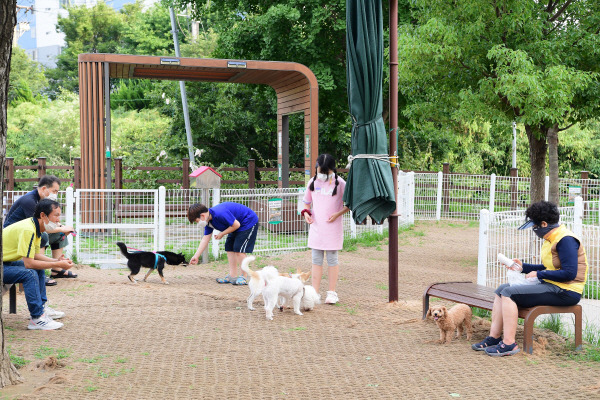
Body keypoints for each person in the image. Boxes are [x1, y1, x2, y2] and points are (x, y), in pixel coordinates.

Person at [472, 200, 588, 356]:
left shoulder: (566, 240)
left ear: (544, 224)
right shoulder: (552, 238)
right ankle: (494, 337)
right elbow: (551, 268)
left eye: (535, 226)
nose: (534, 230)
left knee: (508, 293)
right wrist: (523, 267)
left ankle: (509, 344)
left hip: (566, 291)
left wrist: (539, 274)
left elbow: (569, 274)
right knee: (501, 290)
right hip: (553, 286)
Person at [2, 199, 74, 330]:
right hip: (3, 265)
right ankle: (37, 318)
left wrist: (57, 262)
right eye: (56, 215)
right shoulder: (28, 229)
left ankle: (41, 309)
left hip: (6, 263)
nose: (58, 220)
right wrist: (58, 265)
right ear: (43, 215)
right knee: (29, 273)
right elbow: (29, 264)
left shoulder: (36, 227)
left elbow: (34, 255)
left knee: (38, 269)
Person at [3, 175, 77, 284]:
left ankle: (57, 269)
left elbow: (45, 222)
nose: (55, 194)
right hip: (16, 235)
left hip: (28, 231)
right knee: (43, 236)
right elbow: (39, 226)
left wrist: (62, 228)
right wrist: (61, 228)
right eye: (54, 191)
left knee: (59, 234)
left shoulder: (40, 200)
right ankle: (38, 268)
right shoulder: (29, 201)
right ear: (43, 189)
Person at [302, 154, 349, 305]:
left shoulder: (341, 183)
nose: (321, 175)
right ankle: (314, 293)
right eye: (319, 171)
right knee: (316, 260)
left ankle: (332, 292)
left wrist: (338, 214)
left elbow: (349, 204)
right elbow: (306, 204)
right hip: (316, 228)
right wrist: (306, 214)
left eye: (324, 172)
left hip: (332, 228)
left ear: (332, 170)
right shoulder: (313, 182)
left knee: (332, 259)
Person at [187, 202, 259, 285]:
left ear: (202, 216)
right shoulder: (209, 222)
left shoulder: (219, 213)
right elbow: (205, 238)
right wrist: (196, 256)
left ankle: (244, 276)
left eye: (197, 221)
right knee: (229, 247)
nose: (198, 223)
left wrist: (222, 233)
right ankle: (232, 276)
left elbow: (236, 225)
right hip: (235, 225)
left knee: (239, 249)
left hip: (247, 222)